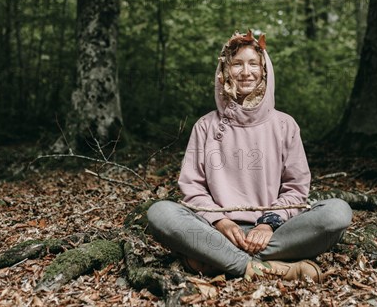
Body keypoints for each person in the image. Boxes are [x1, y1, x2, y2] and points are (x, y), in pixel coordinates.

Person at [147, 29, 352, 282]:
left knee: (337, 212)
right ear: (225, 71)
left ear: (264, 70)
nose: (246, 72)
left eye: (253, 64)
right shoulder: (205, 126)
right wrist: (222, 222)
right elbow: (192, 187)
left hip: (277, 233)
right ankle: (265, 267)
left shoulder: (285, 125)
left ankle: (219, 261)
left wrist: (267, 224)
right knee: (160, 213)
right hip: (217, 232)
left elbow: (296, 188)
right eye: (237, 64)